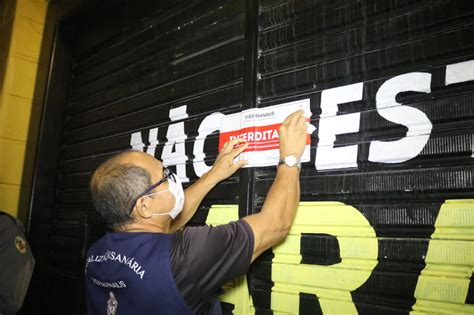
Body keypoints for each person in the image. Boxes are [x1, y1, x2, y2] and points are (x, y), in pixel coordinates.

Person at [85, 110, 307, 314]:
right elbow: (275, 224)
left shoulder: (96, 254)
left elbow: (163, 227)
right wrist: (290, 158)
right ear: (144, 206)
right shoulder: (185, 258)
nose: (173, 179)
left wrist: (213, 175)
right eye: (164, 176)